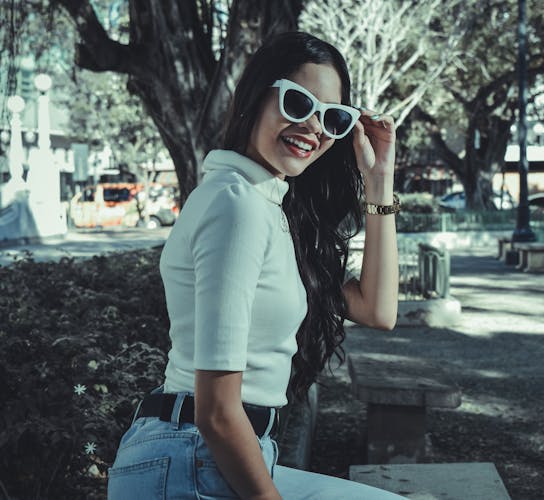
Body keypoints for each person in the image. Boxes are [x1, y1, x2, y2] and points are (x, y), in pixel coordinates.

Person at [107, 32, 403, 499]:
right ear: (255, 96)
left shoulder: (268, 209)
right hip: (192, 458)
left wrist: (379, 181)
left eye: (332, 117)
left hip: (211, 455)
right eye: (297, 103)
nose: (314, 127)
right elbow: (218, 410)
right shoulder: (236, 205)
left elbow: (377, 311)